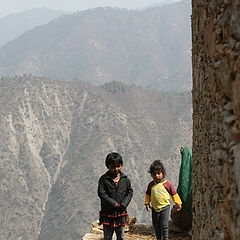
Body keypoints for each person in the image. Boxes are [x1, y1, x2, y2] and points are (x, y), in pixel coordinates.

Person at [98, 152, 133, 240]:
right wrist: (113, 203)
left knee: (120, 236)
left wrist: (124, 204)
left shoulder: (125, 179)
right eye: (113, 167)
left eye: (118, 166)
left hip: (121, 212)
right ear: (107, 166)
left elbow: (130, 192)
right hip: (108, 212)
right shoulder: (104, 180)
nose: (116, 169)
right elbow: (102, 193)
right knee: (108, 236)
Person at [144, 160, 182, 240]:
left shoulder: (167, 184)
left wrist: (178, 203)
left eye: (159, 173)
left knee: (164, 225)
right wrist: (147, 203)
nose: (157, 176)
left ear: (163, 173)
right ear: (151, 175)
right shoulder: (151, 185)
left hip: (164, 207)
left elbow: (174, 194)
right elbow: (148, 194)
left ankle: (165, 238)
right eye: (154, 174)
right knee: (156, 226)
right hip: (155, 208)